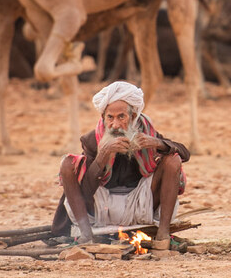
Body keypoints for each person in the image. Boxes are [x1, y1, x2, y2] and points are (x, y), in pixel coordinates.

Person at [52, 81, 189, 248]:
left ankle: (163, 235)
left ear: (132, 117)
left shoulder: (145, 131)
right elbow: (86, 192)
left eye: (121, 117)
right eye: (110, 117)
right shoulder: (92, 140)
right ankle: (86, 235)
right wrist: (102, 155)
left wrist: (158, 143)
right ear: (103, 117)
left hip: (141, 205)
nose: (115, 125)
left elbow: (184, 153)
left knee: (172, 160)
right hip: (101, 208)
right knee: (68, 163)